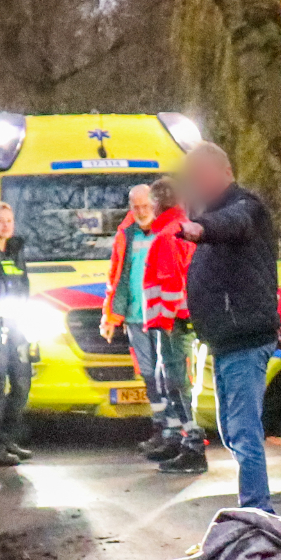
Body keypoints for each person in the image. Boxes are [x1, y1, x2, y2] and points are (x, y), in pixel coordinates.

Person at [177, 143, 279, 512]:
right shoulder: (219, 212)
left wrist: (197, 229)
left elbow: (232, 226)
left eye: (197, 176)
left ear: (219, 171)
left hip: (244, 339)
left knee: (243, 432)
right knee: (231, 431)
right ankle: (254, 509)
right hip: (227, 340)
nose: (194, 184)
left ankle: (257, 512)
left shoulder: (243, 208)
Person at [141, 178, 207, 472]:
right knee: (173, 380)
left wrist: (165, 320)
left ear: (157, 204)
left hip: (172, 323)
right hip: (177, 320)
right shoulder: (180, 230)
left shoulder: (166, 236)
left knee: (176, 383)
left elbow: (170, 285)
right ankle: (182, 441)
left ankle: (192, 444)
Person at [100, 185, 170, 454]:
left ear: (154, 204)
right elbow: (116, 276)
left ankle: (174, 430)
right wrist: (110, 315)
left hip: (163, 317)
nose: (141, 212)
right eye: (136, 207)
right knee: (149, 375)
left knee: (168, 376)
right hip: (134, 316)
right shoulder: (125, 235)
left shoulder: (166, 231)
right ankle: (160, 427)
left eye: (145, 206)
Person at [0, 203, 33, 462]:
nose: (5, 225)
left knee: (22, 384)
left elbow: (23, 285)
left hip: (18, 326)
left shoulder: (16, 250)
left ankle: (8, 439)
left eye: (9, 220)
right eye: (0, 220)